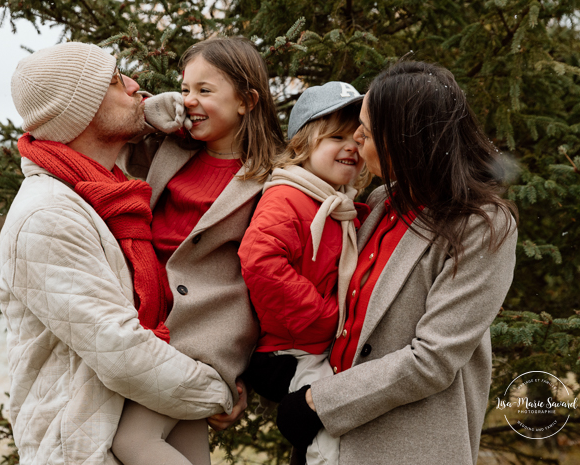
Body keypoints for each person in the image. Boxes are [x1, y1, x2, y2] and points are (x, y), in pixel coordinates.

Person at [0, 42, 235, 465]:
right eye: (113, 81)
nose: (134, 85)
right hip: (86, 450)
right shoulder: (48, 216)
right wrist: (216, 391)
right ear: (81, 111)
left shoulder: (108, 192)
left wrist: (165, 120)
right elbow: (123, 351)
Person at [276, 61, 519, 465]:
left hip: (404, 446)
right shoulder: (378, 203)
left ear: (406, 141)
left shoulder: (483, 227)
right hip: (327, 444)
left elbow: (432, 360)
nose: (355, 136)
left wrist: (318, 402)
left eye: (367, 132)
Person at [110, 37, 285, 465]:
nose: (190, 101)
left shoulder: (276, 176)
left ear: (247, 101)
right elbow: (116, 126)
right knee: (182, 450)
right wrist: (155, 110)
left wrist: (243, 367)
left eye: (205, 91)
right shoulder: (169, 150)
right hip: (152, 320)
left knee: (131, 443)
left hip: (207, 335)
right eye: (185, 89)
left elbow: (278, 272)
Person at [238, 81, 372, 465]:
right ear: (302, 144)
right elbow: (260, 260)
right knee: (329, 442)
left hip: (311, 346)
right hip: (289, 349)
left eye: (358, 137)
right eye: (336, 136)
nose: (352, 146)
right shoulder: (288, 195)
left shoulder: (337, 204)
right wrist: (325, 319)